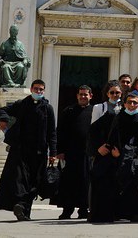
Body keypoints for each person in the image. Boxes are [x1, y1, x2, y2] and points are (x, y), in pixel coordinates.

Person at [0, 79, 57, 221]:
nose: (38, 91)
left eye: (41, 89)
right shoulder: (22, 104)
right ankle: (20, 205)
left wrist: (53, 153)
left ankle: (25, 210)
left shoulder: (47, 109)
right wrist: (4, 119)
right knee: (19, 179)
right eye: (36, 89)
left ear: (44, 91)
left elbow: (52, 132)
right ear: (31, 89)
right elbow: (3, 109)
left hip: (39, 152)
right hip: (20, 150)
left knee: (35, 181)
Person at [88, 92, 138, 222]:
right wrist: (99, 147)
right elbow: (93, 130)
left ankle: (129, 213)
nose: (132, 105)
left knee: (127, 185)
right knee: (105, 185)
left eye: (135, 103)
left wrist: (123, 153)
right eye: (129, 102)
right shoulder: (112, 116)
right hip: (106, 156)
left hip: (124, 158)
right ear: (124, 103)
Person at [55, 85, 93, 220]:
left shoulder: (95, 111)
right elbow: (60, 132)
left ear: (90, 96)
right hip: (70, 154)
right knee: (69, 182)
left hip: (87, 153)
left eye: (85, 94)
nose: (83, 97)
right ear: (77, 96)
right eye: (81, 94)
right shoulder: (68, 111)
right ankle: (67, 210)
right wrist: (60, 151)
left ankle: (83, 209)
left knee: (85, 182)